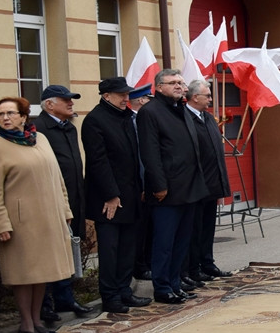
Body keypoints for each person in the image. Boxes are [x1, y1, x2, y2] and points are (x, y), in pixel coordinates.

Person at [0, 97, 75, 333]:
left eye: (11, 113)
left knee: (43, 274)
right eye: (1, 114)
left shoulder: (41, 140)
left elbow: (57, 178)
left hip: (49, 219)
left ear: (24, 116)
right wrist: (0, 224)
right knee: (23, 276)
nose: (6, 118)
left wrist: (65, 210)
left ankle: (37, 320)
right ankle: (26, 324)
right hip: (19, 224)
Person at [137, 69, 208, 304]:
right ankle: (163, 287)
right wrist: (158, 185)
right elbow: (150, 152)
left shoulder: (181, 110)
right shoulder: (150, 112)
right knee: (164, 243)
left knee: (182, 243)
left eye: (181, 82)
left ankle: (175, 283)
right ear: (158, 87)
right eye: (173, 83)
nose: (179, 86)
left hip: (189, 188)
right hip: (166, 190)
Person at [81, 77, 150, 313]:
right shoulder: (94, 121)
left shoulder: (125, 118)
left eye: (126, 94)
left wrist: (140, 187)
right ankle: (110, 296)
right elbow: (98, 162)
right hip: (108, 200)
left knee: (128, 248)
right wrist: (111, 195)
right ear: (106, 96)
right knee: (110, 251)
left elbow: (133, 158)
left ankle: (124, 291)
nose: (125, 98)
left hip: (130, 196)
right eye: (121, 95)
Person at [36, 84, 95, 321]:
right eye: (65, 100)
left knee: (67, 252)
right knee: (50, 255)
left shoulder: (69, 127)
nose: (71, 103)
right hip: (53, 201)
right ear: (49, 104)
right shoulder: (38, 129)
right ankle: (44, 304)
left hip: (74, 198)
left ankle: (65, 298)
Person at [185, 79, 232, 283]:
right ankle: (193, 268)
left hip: (212, 183)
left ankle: (208, 263)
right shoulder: (185, 118)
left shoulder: (208, 118)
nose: (211, 99)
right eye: (208, 96)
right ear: (195, 97)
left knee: (208, 228)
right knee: (194, 230)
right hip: (196, 185)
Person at [128, 83, 154, 281]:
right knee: (140, 229)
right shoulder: (133, 121)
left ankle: (146, 262)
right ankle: (140, 265)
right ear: (140, 100)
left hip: (148, 183)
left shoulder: (140, 120)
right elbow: (139, 156)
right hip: (139, 183)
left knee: (149, 227)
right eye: (147, 98)